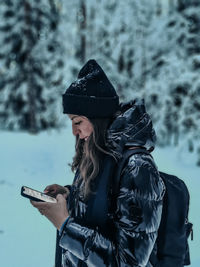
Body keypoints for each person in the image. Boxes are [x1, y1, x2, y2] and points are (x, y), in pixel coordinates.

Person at [31, 59, 165, 267]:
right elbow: (102, 209)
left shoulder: (139, 168)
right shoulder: (99, 154)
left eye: (78, 122)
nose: (74, 132)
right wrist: (69, 196)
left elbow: (127, 262)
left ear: (97, 119)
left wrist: (65, 225)